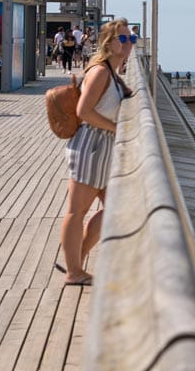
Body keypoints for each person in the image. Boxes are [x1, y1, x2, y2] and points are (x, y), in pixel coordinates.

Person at [58, 19, 136, 286]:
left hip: (102, 148)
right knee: (76, 211)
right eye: (123, 39)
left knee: (115, 206)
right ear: (109, 42)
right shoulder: (101, 72)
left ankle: (76, 260)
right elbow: (83, 111)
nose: (128, 44)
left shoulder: (114, 73)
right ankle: (73, 271)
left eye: (131, 40)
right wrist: (116, 128)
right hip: (92, 146)